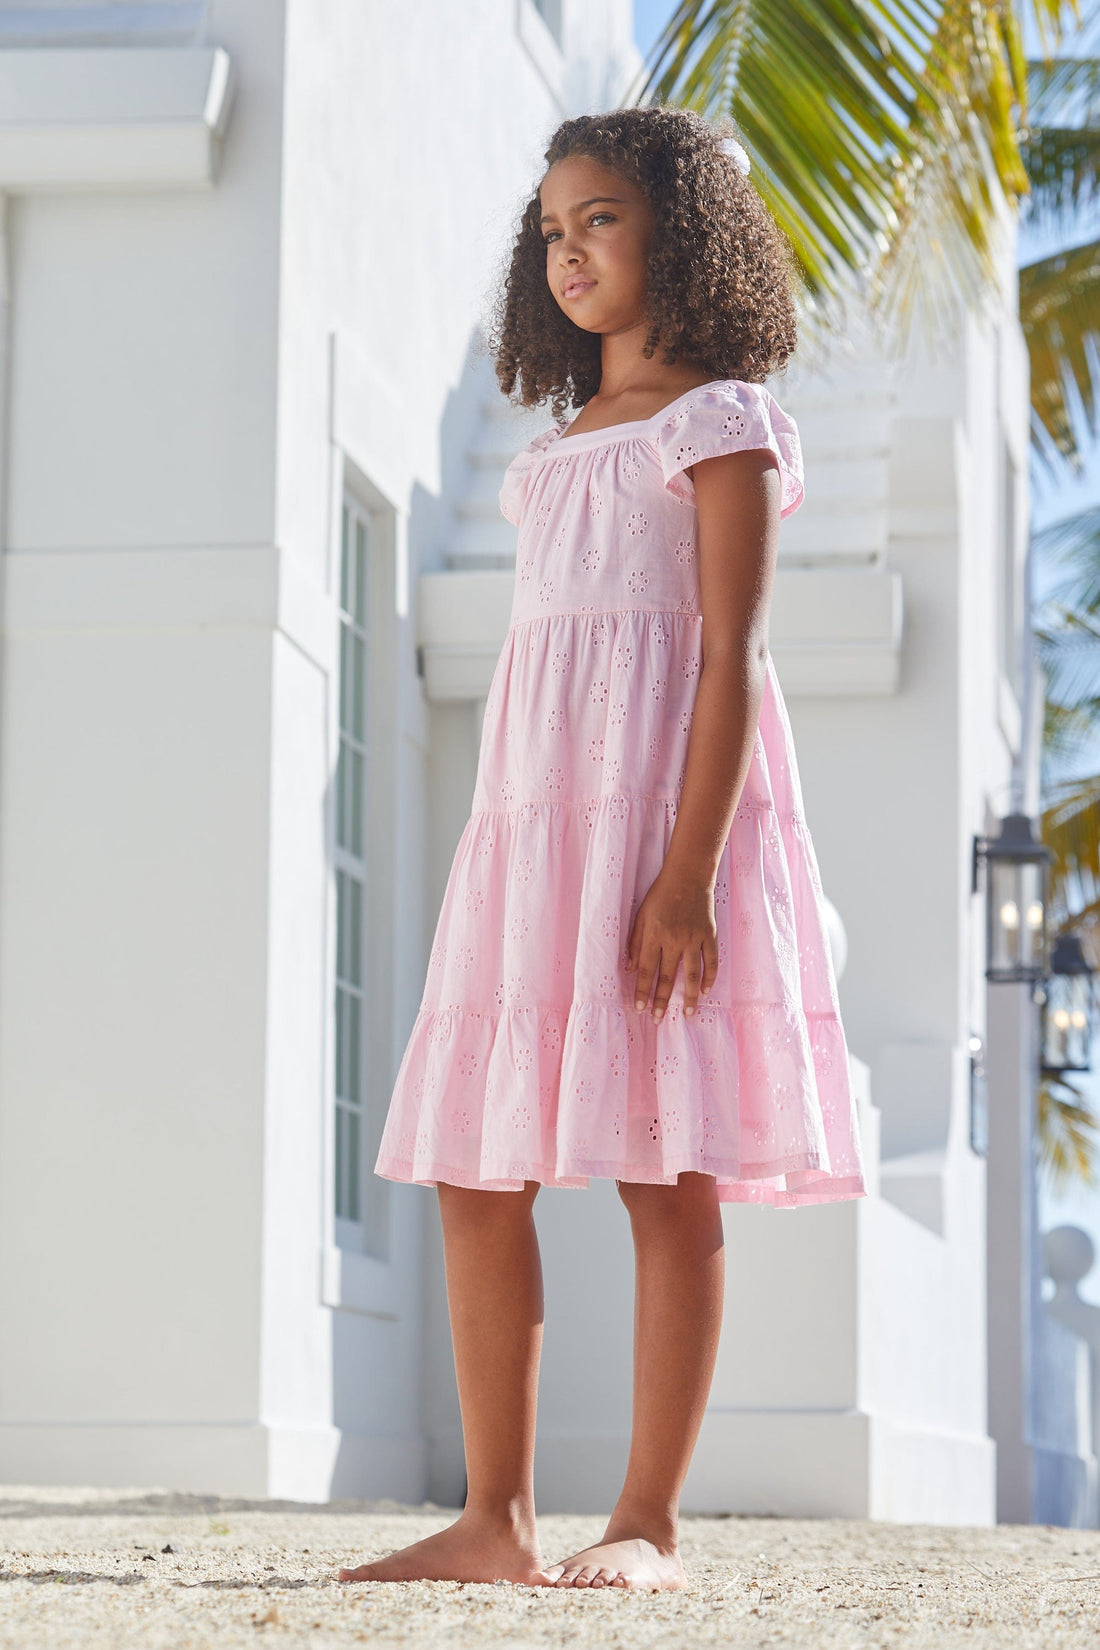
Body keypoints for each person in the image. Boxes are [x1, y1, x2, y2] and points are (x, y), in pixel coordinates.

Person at [340, 105, 865, 1593]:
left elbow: (728, 656)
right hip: (532, 840)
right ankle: (494, 1518)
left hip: (660, 835)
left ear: (678, 232)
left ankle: (646, 1521)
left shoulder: (722, 421)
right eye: (552, 232)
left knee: (664, 1164)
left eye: (601, 221)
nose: (569, 253)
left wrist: (688, 873)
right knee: (472, 1165)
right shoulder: (553, 449)